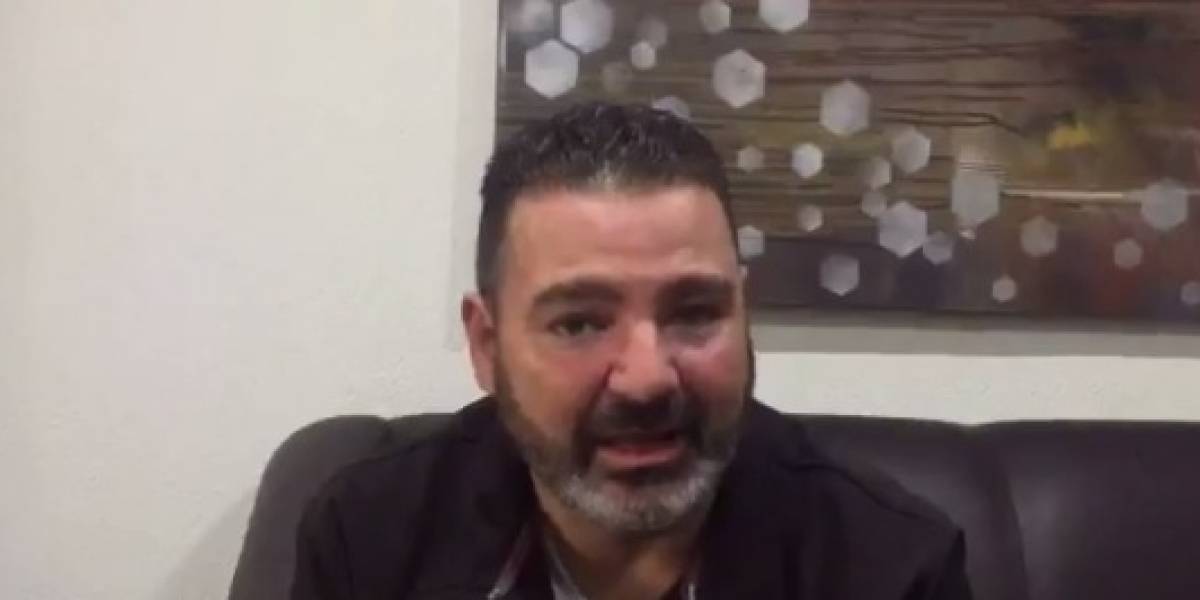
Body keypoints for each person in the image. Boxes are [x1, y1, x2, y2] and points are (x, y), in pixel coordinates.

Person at [291, 102, 972, 600]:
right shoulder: (369, 540)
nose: (646, 378)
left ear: (744, 314)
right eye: (580, 324)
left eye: (695, 313)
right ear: (487, 345)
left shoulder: (892, 567)